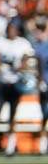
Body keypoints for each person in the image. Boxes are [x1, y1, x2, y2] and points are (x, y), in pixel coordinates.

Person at [0, 18, 34, 157]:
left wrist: (17, 67)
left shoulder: (23, 44)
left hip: (15, 84)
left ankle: (10, 148)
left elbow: (25, 63)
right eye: (9, 27)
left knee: (13, 116)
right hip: (1, 83)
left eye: (13, 28)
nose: (10, 30)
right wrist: (0, 67)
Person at [35, 20, 48, 155]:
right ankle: (42, 145)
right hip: (45, 83)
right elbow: (39, 66)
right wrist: (40, 81)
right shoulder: (42, 47)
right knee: (44, 115)